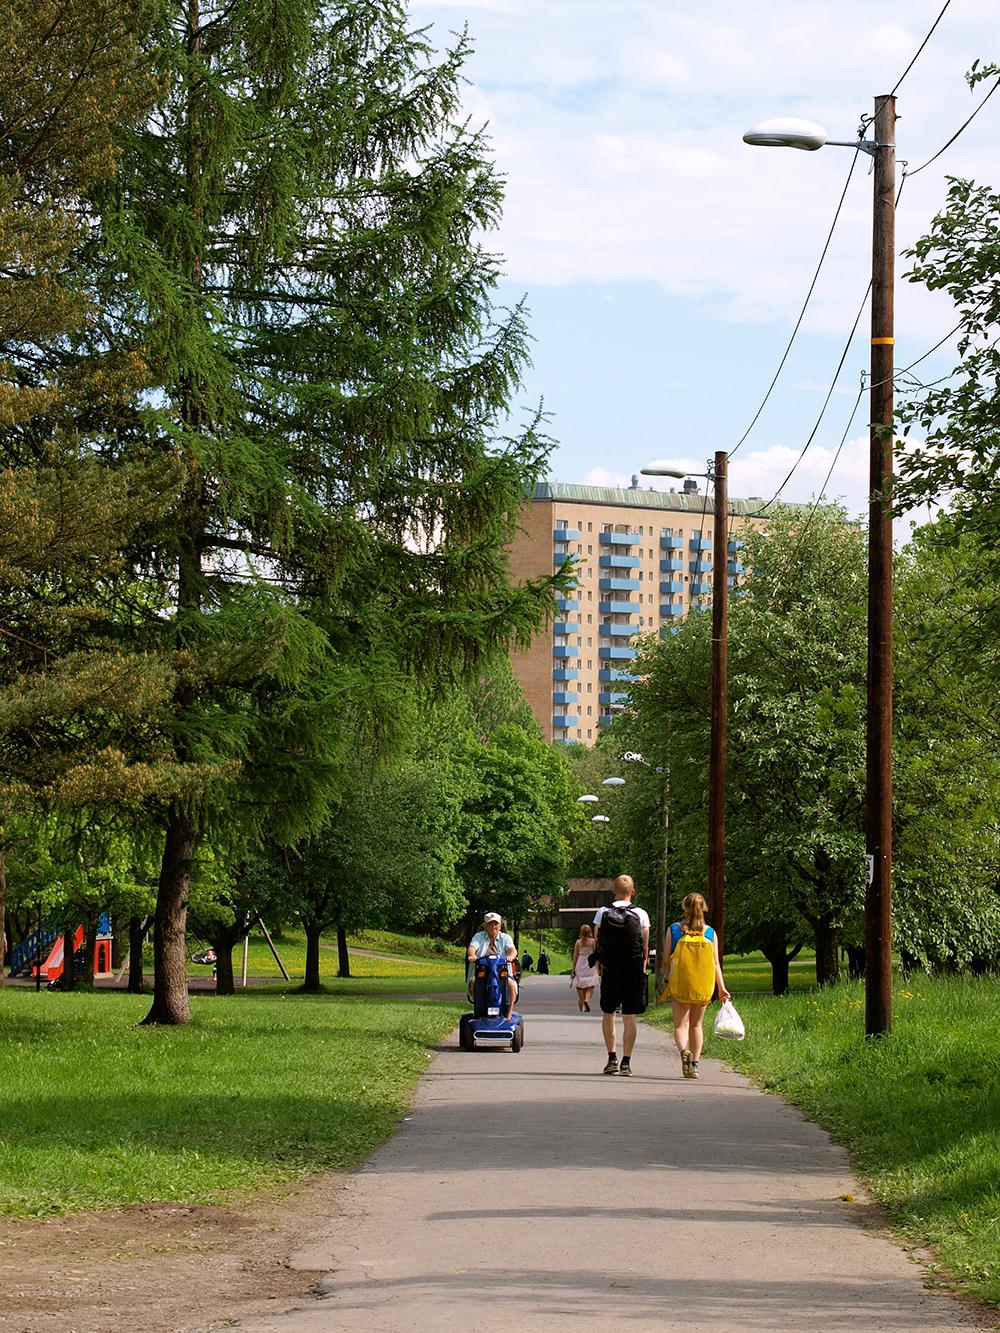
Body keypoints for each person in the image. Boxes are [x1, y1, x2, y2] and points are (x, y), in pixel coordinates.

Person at [663, 892, 730, 1080]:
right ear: (704, 908)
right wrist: (722, 988)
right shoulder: (710, 933)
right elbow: (716, 963)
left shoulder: (674, 930)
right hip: (703, 985)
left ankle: (684, 1051)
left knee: (680, 1025)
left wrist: (669, 979)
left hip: (681, 984)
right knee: (696, 1024)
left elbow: (666, 960)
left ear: (685, 907)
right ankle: (695, 1065)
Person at [593, 874, 649, 1076]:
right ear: (632, 891)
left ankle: (612, 1058)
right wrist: (642, 966)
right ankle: (626, 1062)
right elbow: (645, 947)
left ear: (613, 891)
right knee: (629, 1016)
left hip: (610, 970)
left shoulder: (603, 912)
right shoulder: (641, 914)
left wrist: (599, 964)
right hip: (632, 970)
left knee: (608, 1013)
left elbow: (596, 942)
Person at [466, 912, 519, 1020]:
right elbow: (472, 948)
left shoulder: (505, 938)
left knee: (512, 985)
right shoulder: (479, 937)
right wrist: (472, 956)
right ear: (485, 926)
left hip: (501, 973)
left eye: (496, 924)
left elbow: (512, 950)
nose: (493, 927)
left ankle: (508, 1014)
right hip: (482, 973)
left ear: (500, 926)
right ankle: (478, 1009)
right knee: (473, 982)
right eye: (490, 924)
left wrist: (511, 956)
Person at [570, 924, 599, 1012]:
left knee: (580, 985)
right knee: (591, 984)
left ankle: (581, 1006)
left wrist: (573, 968)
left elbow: (575, 956)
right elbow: (596, 954)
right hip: (591, 964)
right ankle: (586, 999)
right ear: (590, 931)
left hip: (580, 964)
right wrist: (599, 966)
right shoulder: (593, 942)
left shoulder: (578, 942)